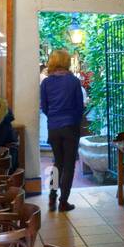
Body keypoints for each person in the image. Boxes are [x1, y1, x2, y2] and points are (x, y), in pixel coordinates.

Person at [39, 49, 85, 212]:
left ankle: (52, 197)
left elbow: (44, 107)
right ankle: (63, 201)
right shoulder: (73, 81)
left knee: (57, 164)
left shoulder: (45, 83)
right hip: (70, 126)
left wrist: (54, 117)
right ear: (66, 62)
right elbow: (80, 106)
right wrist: (74, 120)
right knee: (69, 165)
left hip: (53, 128)